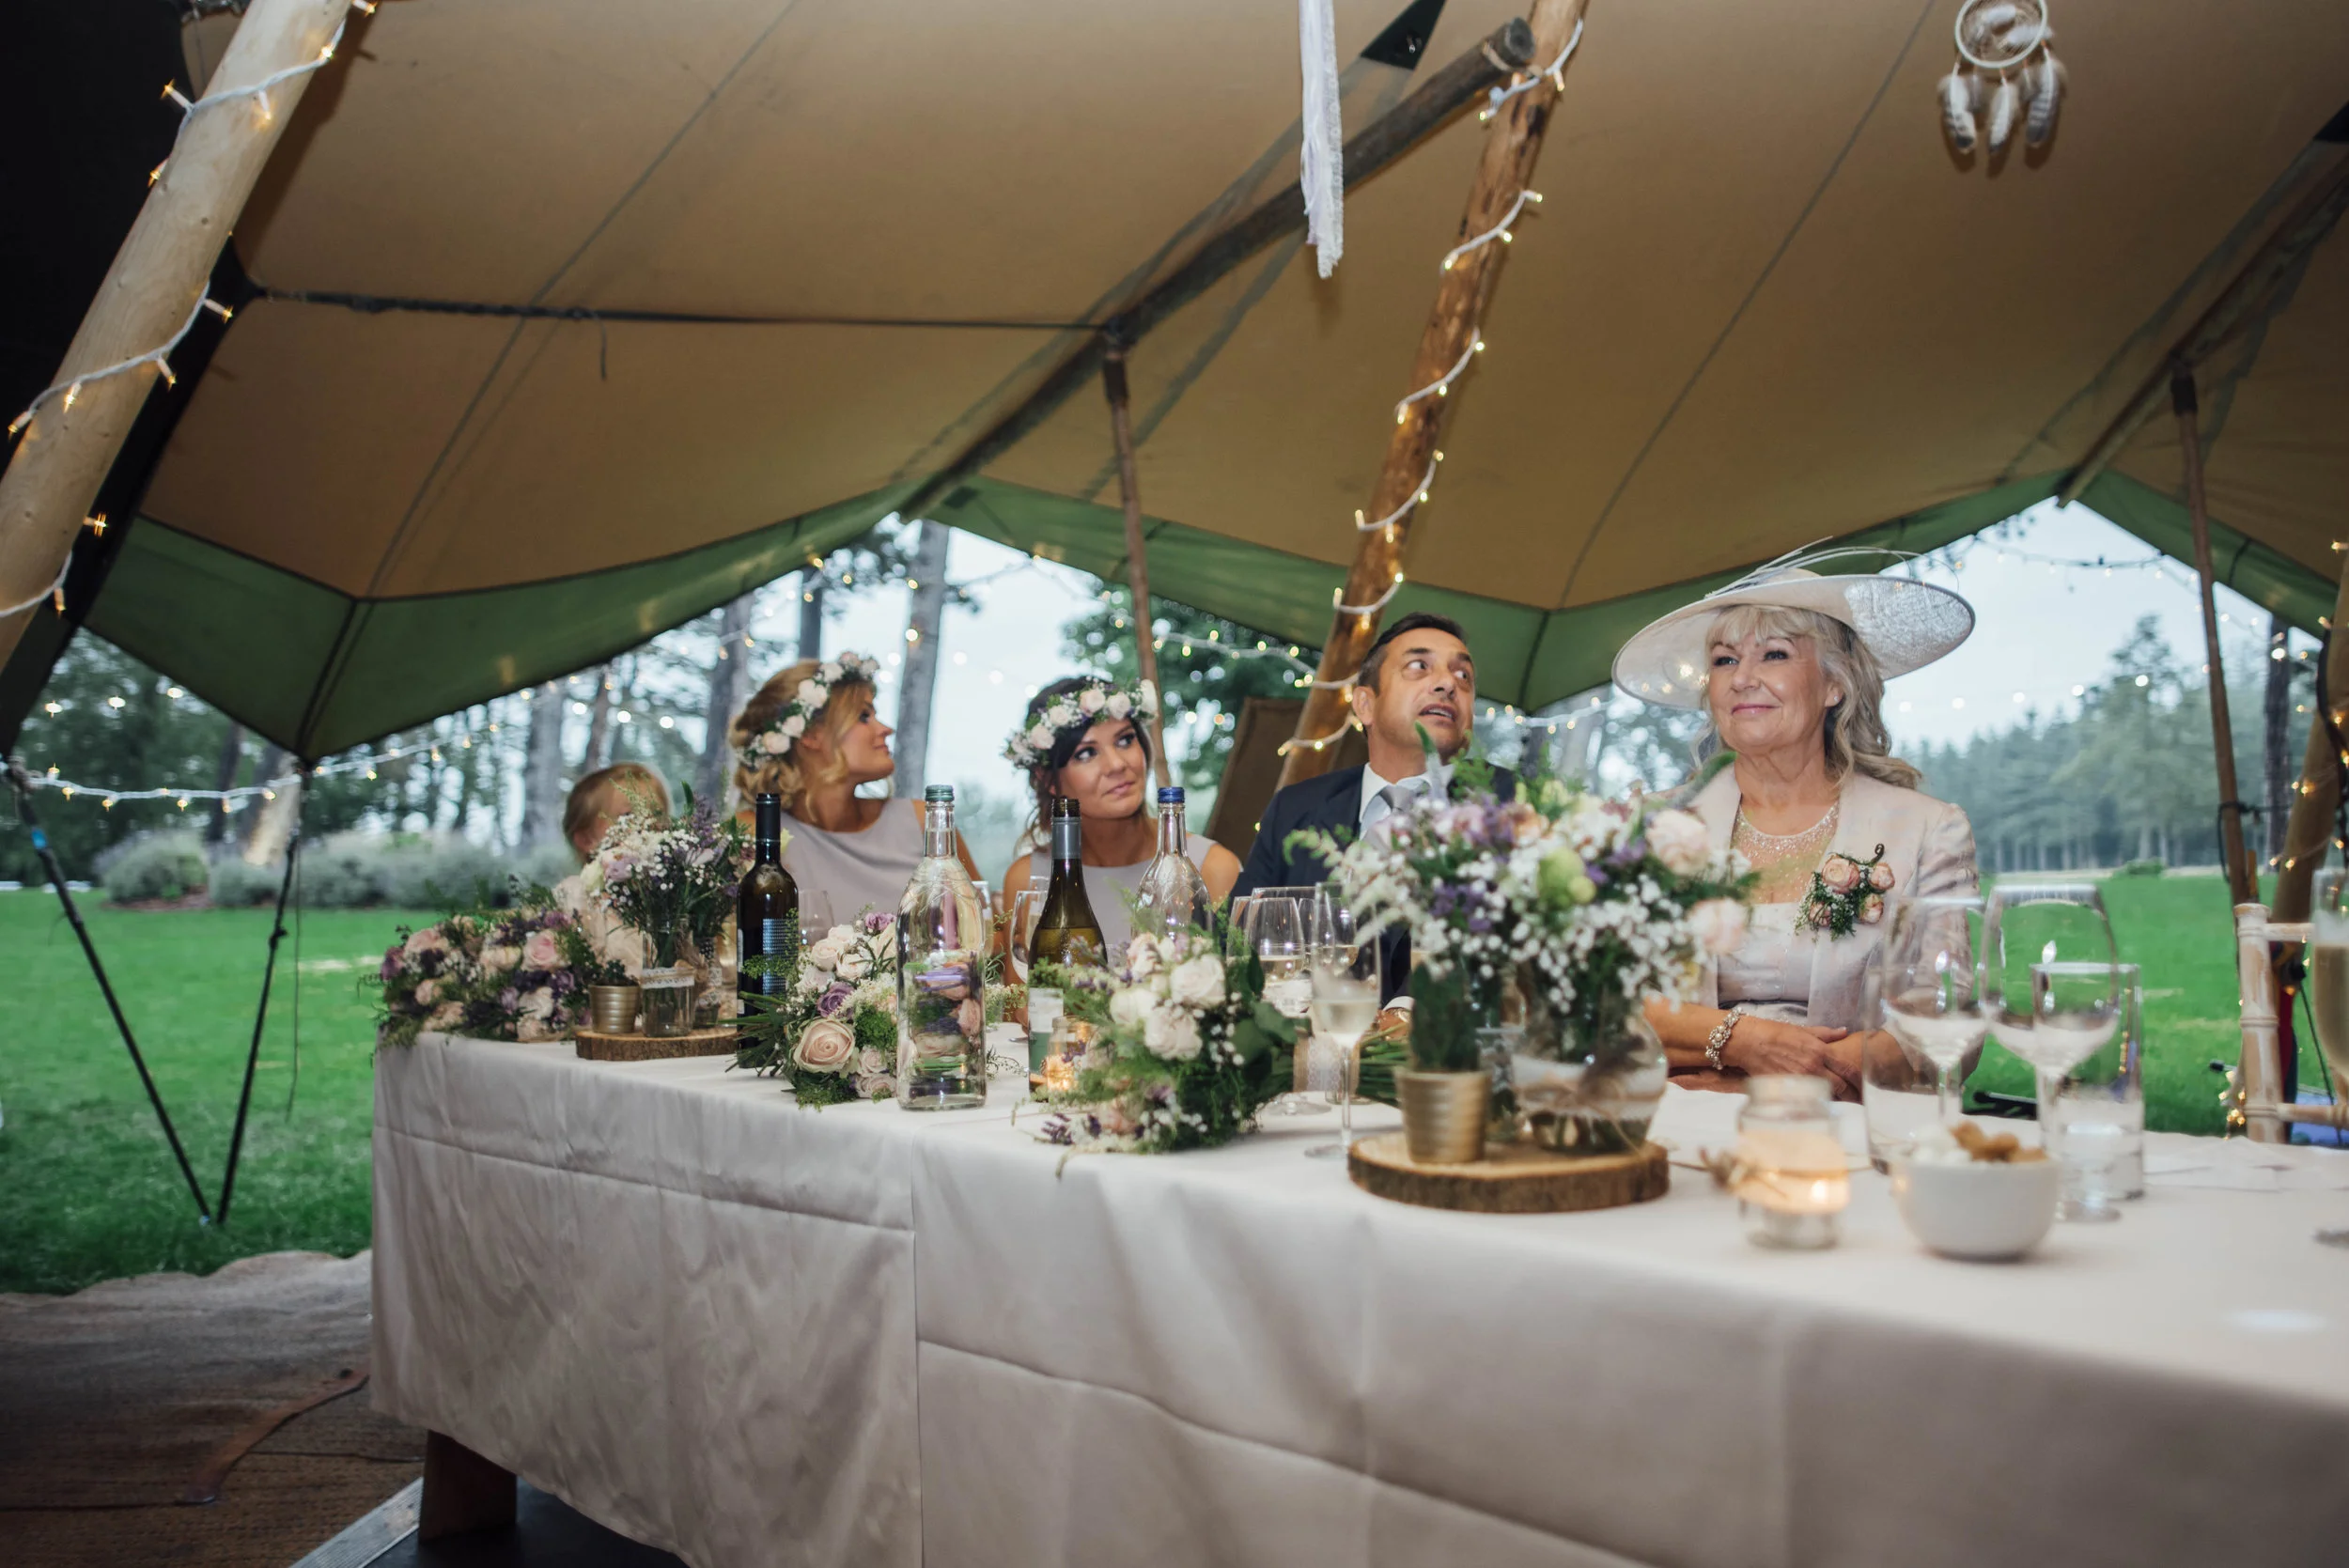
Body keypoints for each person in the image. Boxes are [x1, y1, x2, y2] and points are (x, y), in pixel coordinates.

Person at [1611, 561, 1980, 1100]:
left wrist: (1802, 1077)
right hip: (1679, 1115)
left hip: (1853, 1123)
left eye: (1775, 655)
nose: (1742, 678)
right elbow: (1604, 1002)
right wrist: (1743, 1043)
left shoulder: (1927, 829)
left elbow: (1949, 1017)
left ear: (1834, 684)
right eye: (1725, 660)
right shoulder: (1651, 827)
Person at [1235, 612, 1515, 1003]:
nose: (1448, 684)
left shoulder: (1505, 804)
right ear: (1365, 704)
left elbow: (1500, 951)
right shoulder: (1296, 808)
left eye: (1463, 676)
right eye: (1419, 667)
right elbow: (1239, 945)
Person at [998, 675, 1240, 957]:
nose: (1116, 765)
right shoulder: (1028, 880)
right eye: (1086, 753)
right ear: (1047, 779)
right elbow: (1021, 988)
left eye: (1125, 740)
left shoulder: (1211, 869)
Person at [730, 653, 979, 929]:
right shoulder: (753, 837)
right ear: (810, 735)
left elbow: (988, 929)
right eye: (863, 716)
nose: (886, 729)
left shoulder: (924, 822)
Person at [553, 763, 672, 973]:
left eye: (656, 815)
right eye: (628, 816)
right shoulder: (576, 901)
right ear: (586, 839)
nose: (649, 825)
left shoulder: (674, 898)